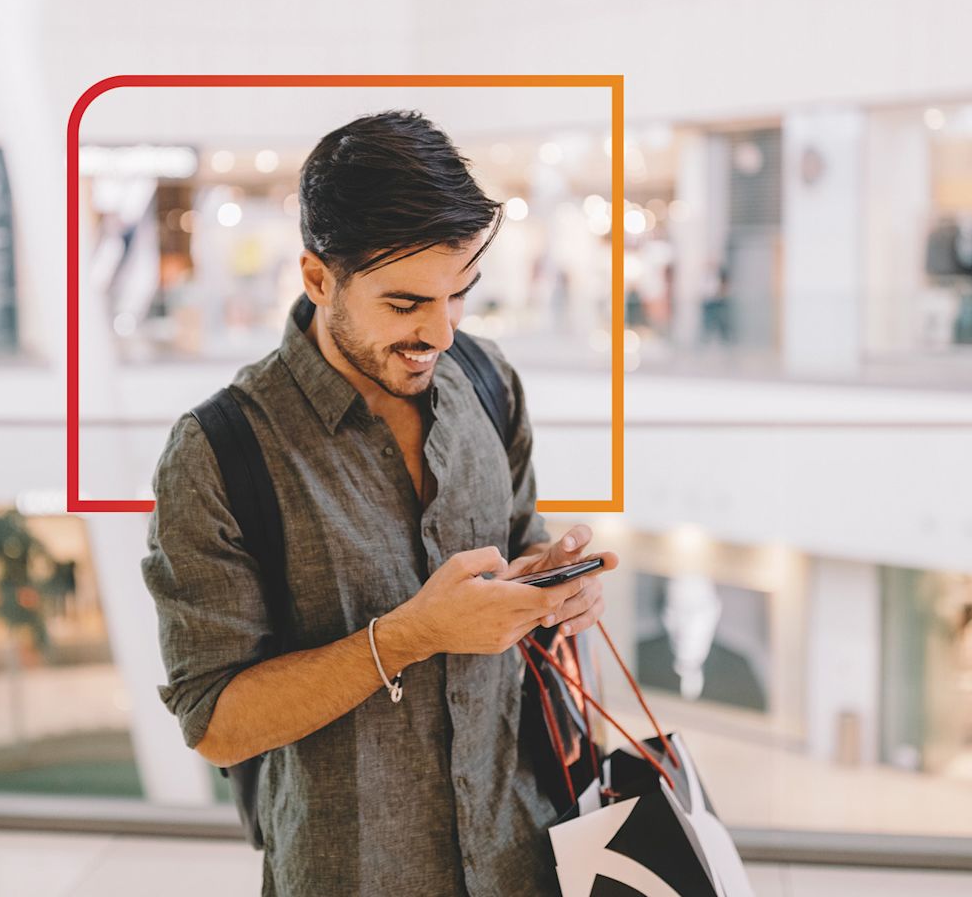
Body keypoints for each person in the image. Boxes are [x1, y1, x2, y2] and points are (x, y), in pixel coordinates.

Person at [141, 110, 617, 897]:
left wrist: (557, 588)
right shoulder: (220, 452)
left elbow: (520, 543)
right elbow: (215, 721)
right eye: (404, 305)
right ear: (318, 277)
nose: (439, 330)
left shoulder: (488, 383)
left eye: (458, 294)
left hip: (527, 857)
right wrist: (405, 637)